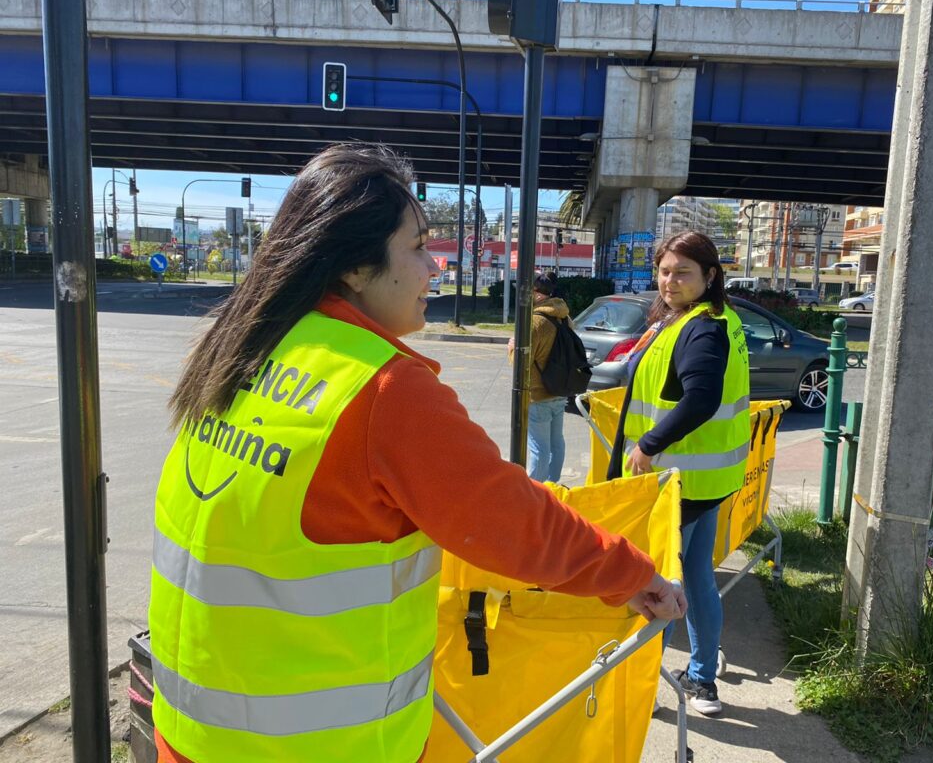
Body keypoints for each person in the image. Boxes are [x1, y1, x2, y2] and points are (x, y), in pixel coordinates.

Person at [148, 143, 686, 763]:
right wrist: (631, 574)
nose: (435, 268)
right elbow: (513, 521)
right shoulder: (380, 390)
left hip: (191, 732)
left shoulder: (248, 347)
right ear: (353, 264)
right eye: (417, 246)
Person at [607, 231, 751, 716]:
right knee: (696, 580)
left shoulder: (703, 328)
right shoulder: (709, 319)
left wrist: (649, 444)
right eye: (665, 271)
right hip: (700, 483)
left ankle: (649, 686)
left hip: (677, 485)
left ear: (710, 276)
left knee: (656, 587)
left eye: (683, 272)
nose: (670, 281)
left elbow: (702, 397)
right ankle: (701, 678)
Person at [526, 270, 572, 482]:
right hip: (560, 389)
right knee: (557, 443)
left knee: (539, 448)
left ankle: (534, 493)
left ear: (537, 294)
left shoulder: (536, 322)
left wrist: (511, 349)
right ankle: (552, 488)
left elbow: (523, 362)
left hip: (538, 393)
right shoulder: (565, 317)